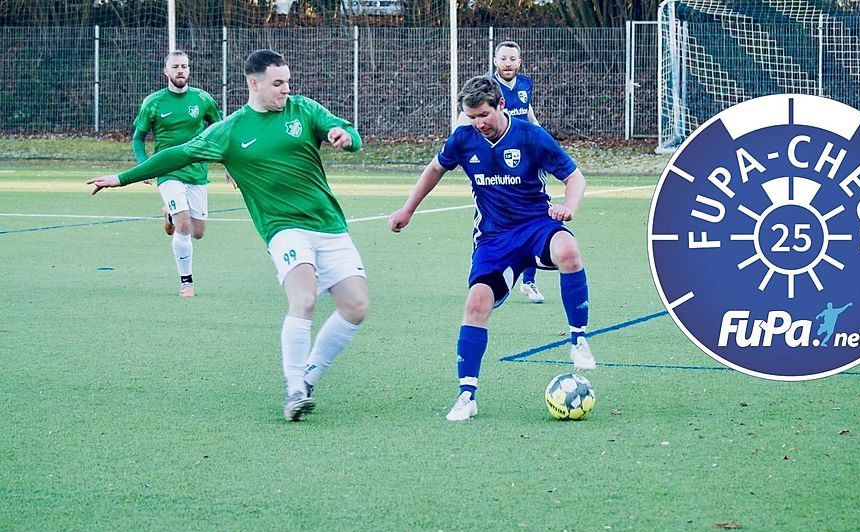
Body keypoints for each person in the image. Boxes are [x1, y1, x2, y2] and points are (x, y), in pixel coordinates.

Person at [87, 49, 368, 423]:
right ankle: (294, 388)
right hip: (282, 229)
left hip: (329, 225)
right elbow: (178, 154)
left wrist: (345, 137)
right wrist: (122, 178)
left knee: (356, 307)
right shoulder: (231, 130)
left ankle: (310, 375)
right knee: (303, 299)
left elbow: (351, 132)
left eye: (287, 82)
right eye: (277, 83)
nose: (286, 89)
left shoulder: (303, 110)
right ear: (254, 83)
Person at [389, 75, 596, 422]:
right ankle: (466, 395)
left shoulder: (530, 136)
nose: (478, 123)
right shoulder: (464, 139)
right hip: (493, 239)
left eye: (483, 114)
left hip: (535, 226)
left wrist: (569, 207)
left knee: (569, 251)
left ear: (501, 105)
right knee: (476, 304)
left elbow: (575, 177)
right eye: (471, 117)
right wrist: (407, 209)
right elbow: (435, 168)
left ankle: (578, 339)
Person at [133, 50, 222, 297]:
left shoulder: (203, 100)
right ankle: (187, 282)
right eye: (175, 67)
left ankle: (169, 216)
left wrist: (229, 165)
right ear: (166, 72)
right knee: (184, 223)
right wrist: (145, 166)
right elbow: (138, 138)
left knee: (198, 232)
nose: (180, 70)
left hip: (197, 172)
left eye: (184, 66)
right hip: (168, 172)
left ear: (189, 70)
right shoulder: (153, 102)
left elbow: (220, 133)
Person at [492, 40, 544, 303]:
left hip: (528, 162)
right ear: (495, 61)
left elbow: (528, 115)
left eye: (513, 58)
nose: (508, 63)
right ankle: (488, 277)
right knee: (495, 220)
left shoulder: (525, 84)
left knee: (534, 219)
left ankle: (529, 282)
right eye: (503, 58)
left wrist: (542, 139)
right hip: (498, 166)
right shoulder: (487, 88)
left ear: (519, 61)